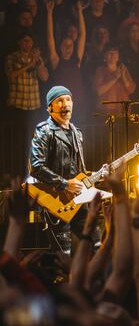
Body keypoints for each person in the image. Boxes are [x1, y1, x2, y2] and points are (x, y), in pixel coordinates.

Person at [29, 86, 106, 239]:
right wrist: (64, 184)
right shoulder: (44, 131)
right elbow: (36, 167)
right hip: (56, 202)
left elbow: (77, 170)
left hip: (78, 201)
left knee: (95, 242)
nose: (65, 104)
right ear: (50, 107)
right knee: (62, 250)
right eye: (60, 101)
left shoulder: (77, 133)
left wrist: (98, 175)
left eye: (68, 100)